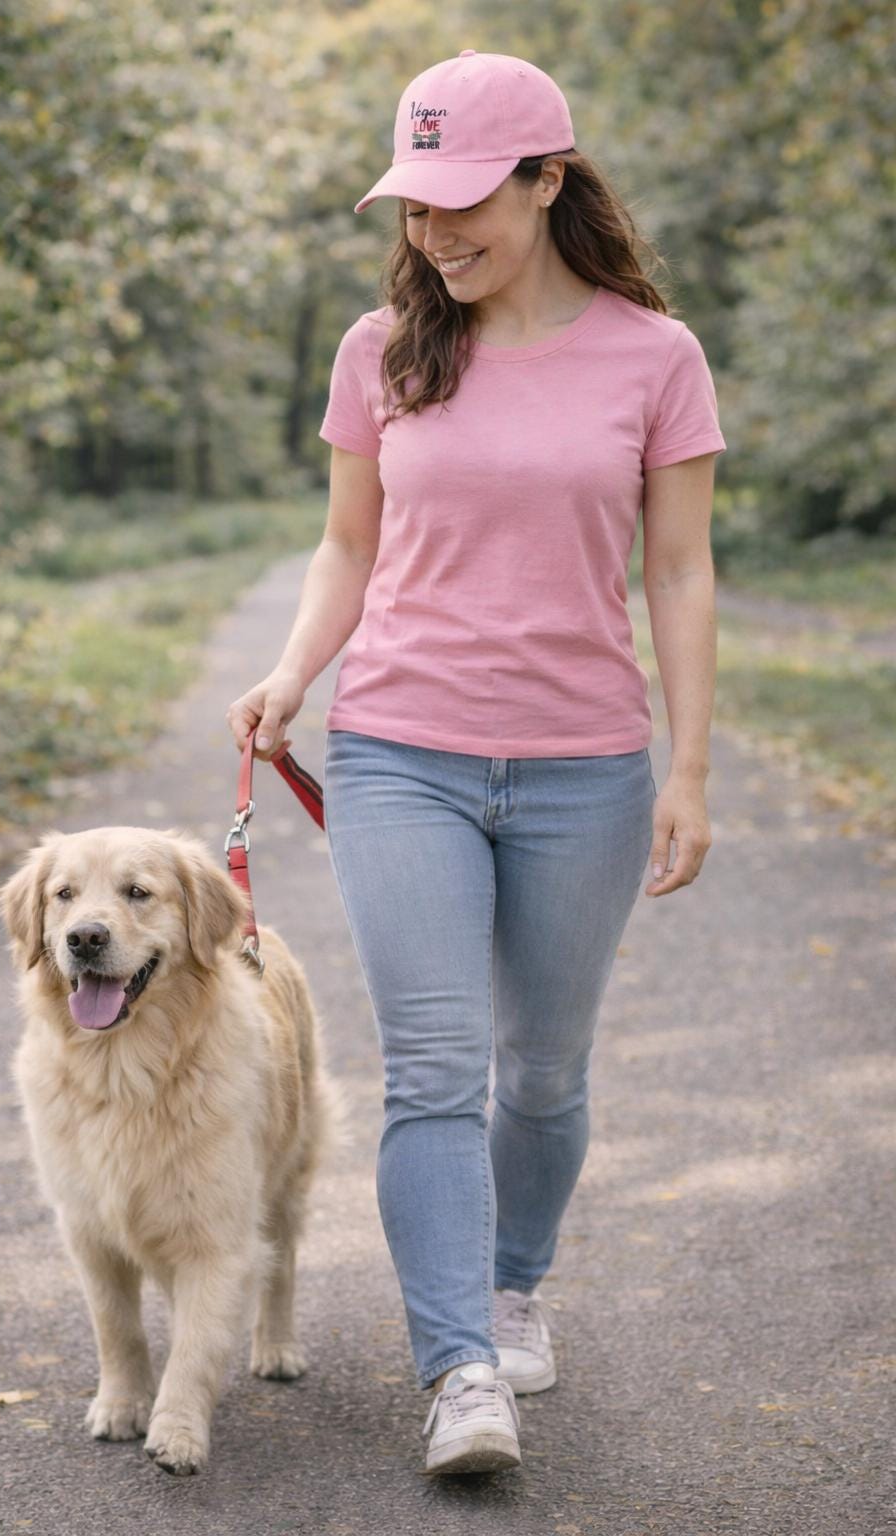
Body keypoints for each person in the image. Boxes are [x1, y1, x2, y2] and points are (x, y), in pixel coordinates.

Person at [226, 49, 725, 1477]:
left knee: (545, 1074)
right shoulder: (379, 347)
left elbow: (681, 574)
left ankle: (512, 1283)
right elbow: (349, 543)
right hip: (401, 753)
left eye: (466, 202)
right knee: (434, 1069)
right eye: (417, 203)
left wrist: (687, 768)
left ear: (546, 179)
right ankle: (459, 1372)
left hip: (585, 768)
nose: (438, 232)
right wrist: (289, 673)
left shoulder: (655, 356)